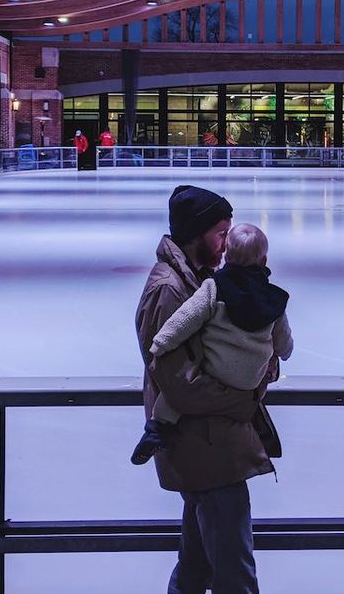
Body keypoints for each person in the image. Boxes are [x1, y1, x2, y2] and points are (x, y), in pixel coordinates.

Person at [134, 185, 278, 594]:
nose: (226, 244)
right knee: (234, 573)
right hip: (206, 448)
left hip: (210, 445)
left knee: (196, 569)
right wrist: (245, 399)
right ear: (195, 233)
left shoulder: (202, 281)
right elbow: (179, 383)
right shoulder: (168, 289)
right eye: (220, 233)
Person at [132, 223, 292, 466]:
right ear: (264, 260)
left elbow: (186, 318)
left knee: (171, 399)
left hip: (217, 370)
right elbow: (283, 340)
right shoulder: (274, 299)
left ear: (227, 255)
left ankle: (157, 428)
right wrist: (284, 353)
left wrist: (161, 342)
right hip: (250, 380)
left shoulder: (214, 287)